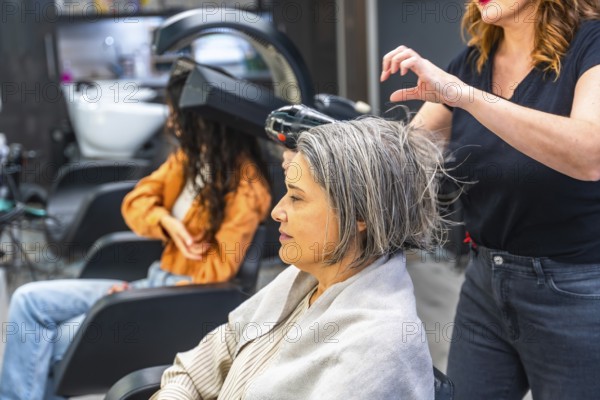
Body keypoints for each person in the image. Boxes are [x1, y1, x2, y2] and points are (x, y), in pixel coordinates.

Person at [0, 57, 272, 400]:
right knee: (28, 302)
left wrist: (134, 298)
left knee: (49, 341)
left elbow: (219, 272)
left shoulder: (247, 186)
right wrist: (169, 223)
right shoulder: (189, 161)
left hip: (169, 300)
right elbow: (136, 202)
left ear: (202, 119)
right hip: (150, 281)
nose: (171, 121)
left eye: (176, 112)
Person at [381, 1, 600, 399]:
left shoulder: (592, 45)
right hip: (486, 281)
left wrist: (467, 97)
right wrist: (329, 149)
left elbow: (590, 154)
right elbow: (408, 160)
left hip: (577, 289)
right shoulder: (472, 63)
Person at [150, 117, 446, 399]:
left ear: (360, 214)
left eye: (296, 197)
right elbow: (198, 366)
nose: (276, 211)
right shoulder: (302, 277)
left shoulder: (378, 346)